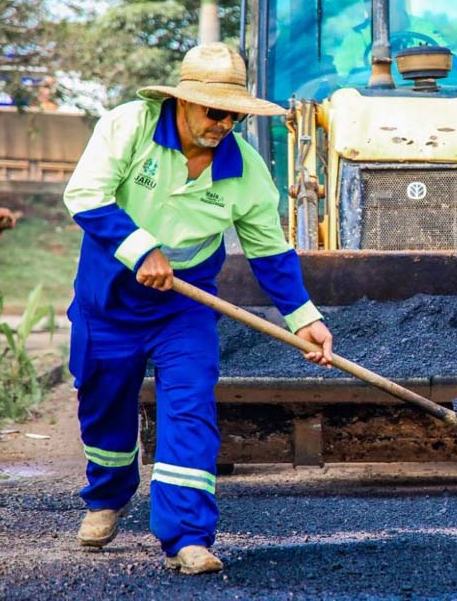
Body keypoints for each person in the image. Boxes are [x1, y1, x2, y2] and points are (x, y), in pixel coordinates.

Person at [62, 42, 333, 575]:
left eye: (233, 114)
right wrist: (143, 250)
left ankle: (186, 536)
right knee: (104, 401)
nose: (224, 123)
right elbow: (87, 195)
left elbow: (270, 251)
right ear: (183, 102)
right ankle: (107, 497)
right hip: (109, 299)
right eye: (214, 111)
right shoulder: (129, 127)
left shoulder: (246, 170)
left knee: (190, 409)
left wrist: (306, 318)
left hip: (183, 309)